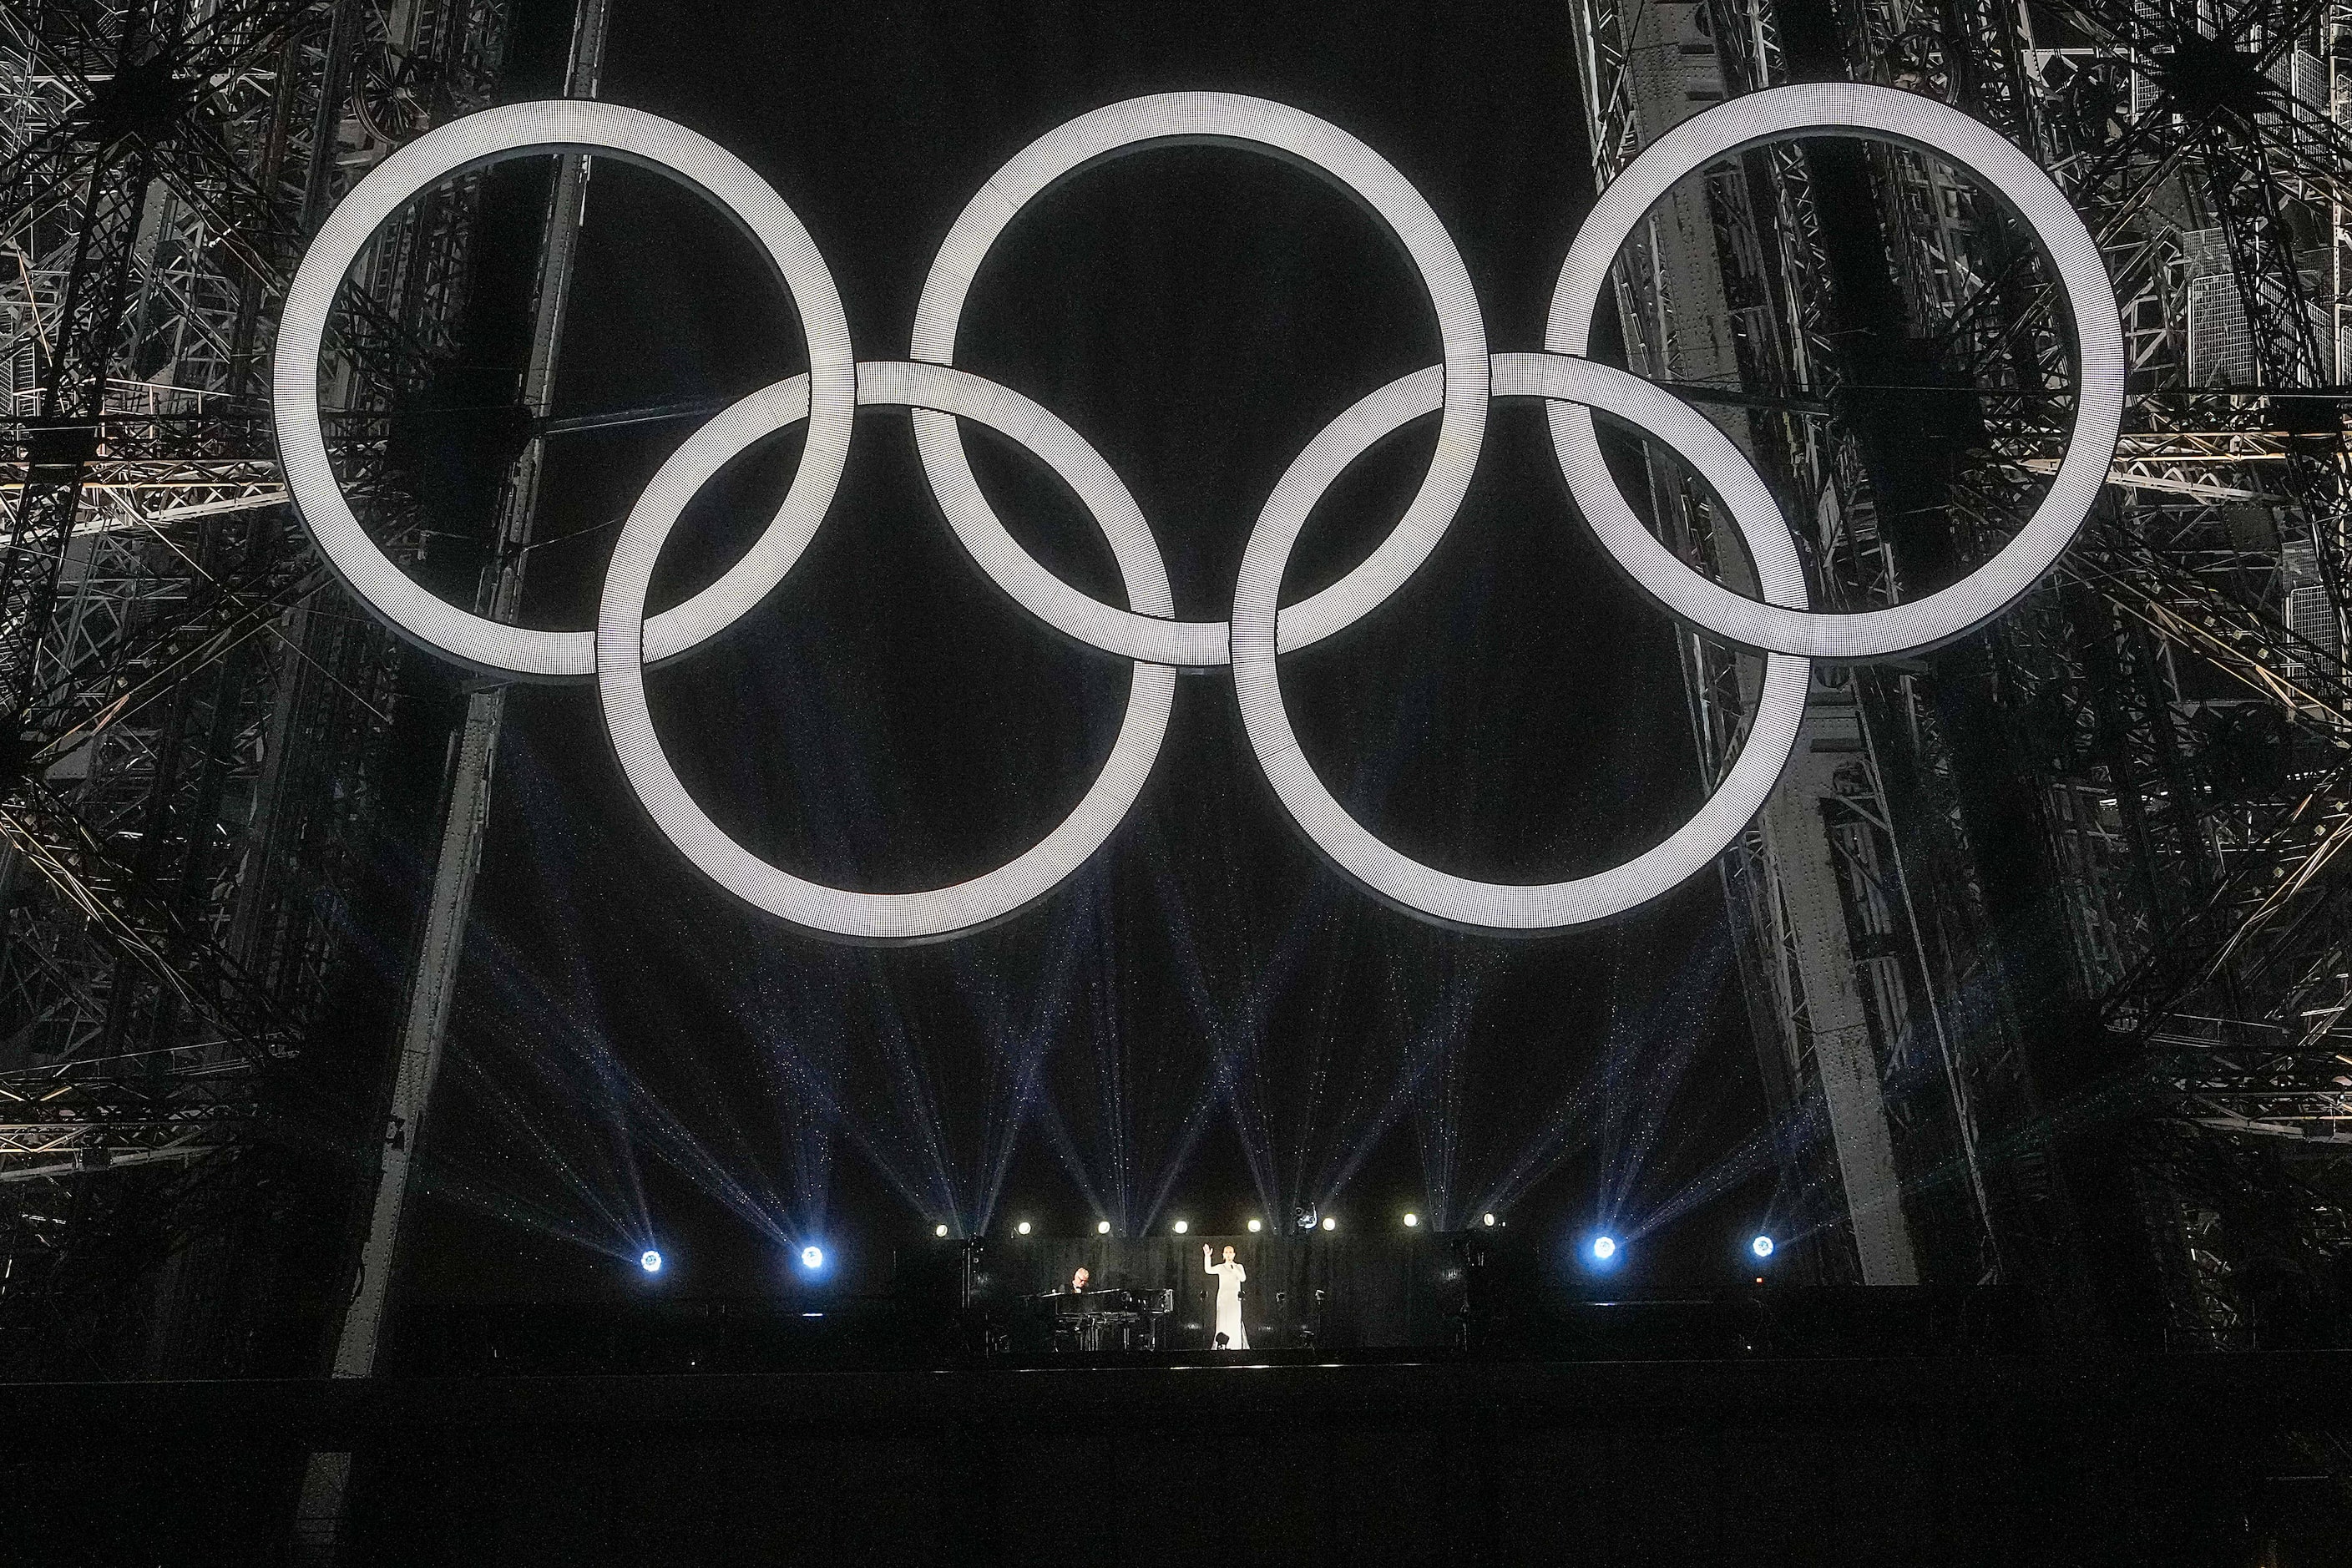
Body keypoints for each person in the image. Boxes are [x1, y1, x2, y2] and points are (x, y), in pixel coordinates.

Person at [1202, 1242, 1247, 1350]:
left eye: (1230, 1252)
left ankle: (1235, 1346)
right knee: (1222, 1321)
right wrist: (1207, 1256)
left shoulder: (1238, 1266)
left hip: (1234, 1299)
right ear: (1223, 1254)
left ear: (1234, 1254)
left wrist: (1233, 1268)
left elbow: (1242, 1278)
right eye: (1226, 1252)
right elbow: (1208, 1270)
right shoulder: (1220, 1267)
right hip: (1223, 1297)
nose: (1228, 1254)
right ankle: (1221, 1346)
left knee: (1234, 1320)